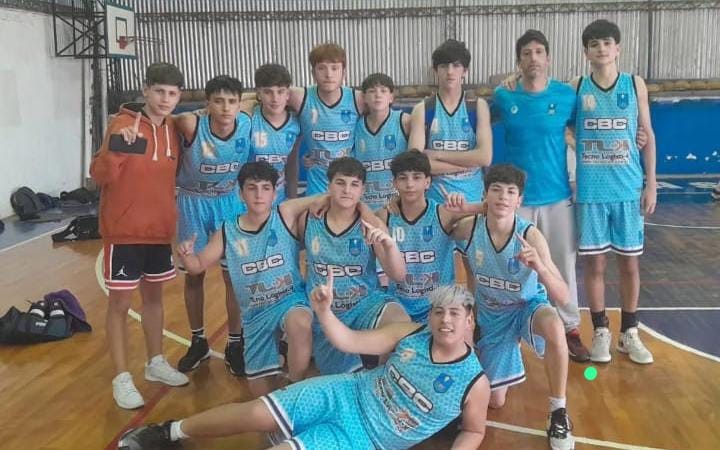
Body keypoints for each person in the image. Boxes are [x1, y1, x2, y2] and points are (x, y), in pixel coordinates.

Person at [117, 285, 491, 450]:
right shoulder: (412, 333)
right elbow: (349, 341)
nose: (444, 320)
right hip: (346, 393)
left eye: (454, 314)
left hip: (365, 439)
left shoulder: (474, 382)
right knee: (255, 413)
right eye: (438, 312)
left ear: (469, 320)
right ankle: (169, 432)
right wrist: (324, 312)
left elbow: (474, 430)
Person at [453, 164, 575, 450]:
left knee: (554, 326)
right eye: (496, 190)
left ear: (519, 200)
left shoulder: (530, 236)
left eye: (511, 192)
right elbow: (440, 227)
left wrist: (540, 267)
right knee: (495, 402)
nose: (503, 197)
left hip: (527, 306)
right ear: (485, 195)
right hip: (493, 315)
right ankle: (510, 347)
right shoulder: (469, 228)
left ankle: (558, 411)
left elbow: (563, 295)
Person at [90, 62, 189, 409]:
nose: (165, 99)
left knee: (154, 300)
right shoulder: (123, 125)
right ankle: (121, 377)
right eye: (159, 91)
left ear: (179, 96)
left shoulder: (174, 129)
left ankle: (155, 362)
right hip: (124, 232)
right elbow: (98, 175)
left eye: (172, 93)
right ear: (146, 89)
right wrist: (117, 150)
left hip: (159, 231)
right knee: (119, 304)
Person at [177, 162, 319, 397]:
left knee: (301, 323)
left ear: (274, 193)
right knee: (260, 393)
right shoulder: (227, 230)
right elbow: (197, 266)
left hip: (289, 301)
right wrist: (187, 255)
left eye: (265, 188)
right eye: (252, 188)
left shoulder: (284, 213)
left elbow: (327, 196)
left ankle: (294, 389)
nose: (259, 195)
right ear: (241, 194)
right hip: (255, 316)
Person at [491, 30, 590, 362]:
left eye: (538, 52)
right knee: (514, 267)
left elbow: (586, 129)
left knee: (562, 264)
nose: (533, 58)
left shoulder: (565, 96)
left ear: (547, 58)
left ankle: (570, 328)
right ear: (519, 61)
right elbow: (481, 118)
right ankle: (511, 330)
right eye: (526, 53)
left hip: (557, 197)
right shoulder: (504, 95)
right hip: (517, 202)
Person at [573, 19, 657, 365]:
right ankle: (600, 331)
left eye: (607, 43)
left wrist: (651, 183)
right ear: (586, 52)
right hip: (591, 192)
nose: (601, 49)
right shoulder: (577, 86)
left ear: (617, 48)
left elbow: (647, 134)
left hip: (627, 189)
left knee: (630, 265)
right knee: (595, 264)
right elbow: (554, 119)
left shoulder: (635, 84)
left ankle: (629, 332)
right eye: (594, 44)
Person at [299, 156, 410, 374]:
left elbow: (398, 275)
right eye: (340, 183)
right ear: (329, 185)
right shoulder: (308, 219)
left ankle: (382, 377)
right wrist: (320, 199)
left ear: (362, 190)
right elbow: (283, 210)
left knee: (400, 323)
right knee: (340, 379)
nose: (347, 190)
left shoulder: (371, 225)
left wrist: (389, 246)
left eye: (354, 184)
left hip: (365, 303)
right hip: (325, 309)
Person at [378, 150, 484, 323]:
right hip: (399, 306)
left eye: (416, 177)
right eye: (403, 178)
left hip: (439, 305)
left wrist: (467, 207)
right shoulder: (385, 217)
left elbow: (492, 208)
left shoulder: (443, 214)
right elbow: (354, 215)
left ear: (427, 182)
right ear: (394, 183)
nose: (410, 184)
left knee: (456, 327)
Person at [408, 39, 492, 204]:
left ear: (465, 71)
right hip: (435, 204)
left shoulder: (477, 106)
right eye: (444, 66)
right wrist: (466, 164)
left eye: (456, 65)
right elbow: (416, 163)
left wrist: (438, 155)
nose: (450, 72)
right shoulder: (423, 109)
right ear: (435, 70)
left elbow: (484, 157)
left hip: (472, 201)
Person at [286, 42, 364, 195]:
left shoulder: (358, 99)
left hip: (348, 188)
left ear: (344, 72)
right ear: (313, 73)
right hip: (317, 188)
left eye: (334, 68)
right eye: (322, 68)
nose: (329, 75)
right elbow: (264, 94)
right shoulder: (301, 97)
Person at [352, 73, 410, 210]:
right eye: (372, 91)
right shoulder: (355, 126)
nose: (378, 95)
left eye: (383, 91)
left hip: (397, 205)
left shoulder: (405, 121)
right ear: (364, 97)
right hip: (365, 206)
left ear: (391, 97)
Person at [249, 64, 301, 204]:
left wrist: (293, 199)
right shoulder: (248, 119)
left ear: (288, 94)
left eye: (280, 91)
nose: (275, 98)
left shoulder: (296, 123)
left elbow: (291, 164)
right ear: (259, 93)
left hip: (279, 198)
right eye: (268, 92)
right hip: (249, 200)